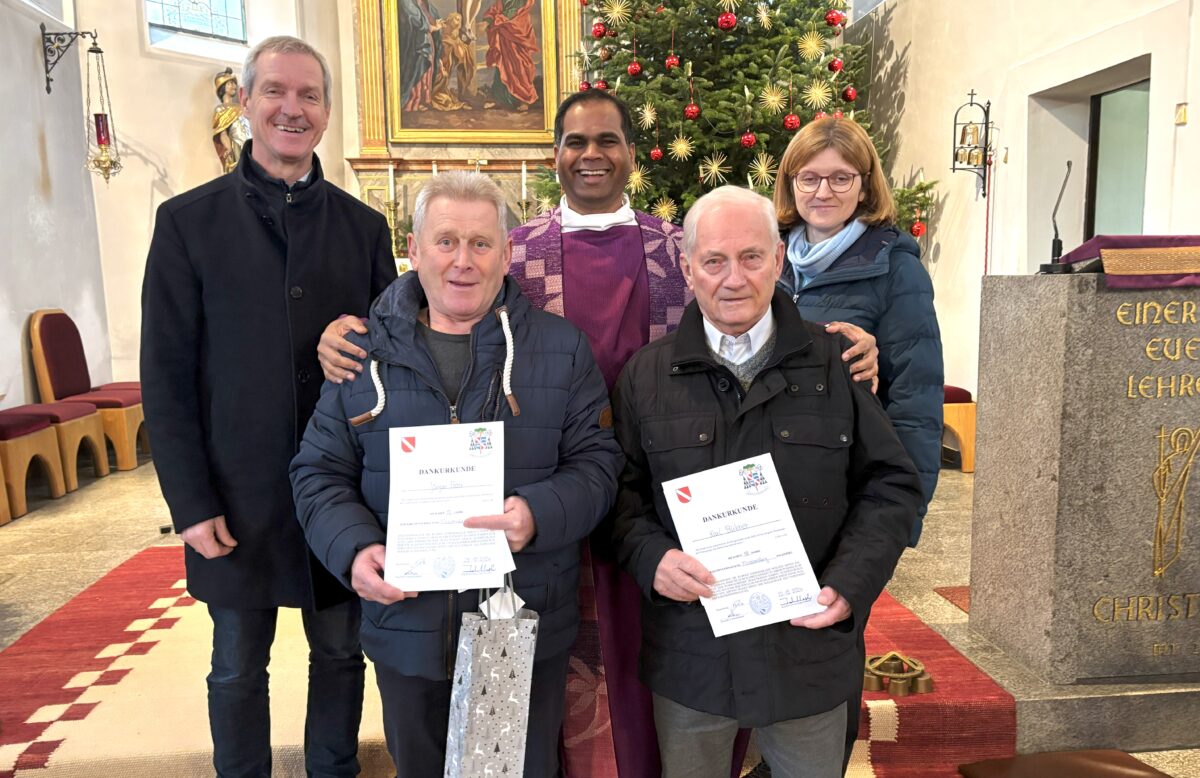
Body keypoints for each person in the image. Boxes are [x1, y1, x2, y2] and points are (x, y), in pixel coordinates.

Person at [316, 89, 878, 778]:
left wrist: (834, 336)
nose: (465, 260)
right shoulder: (513, 253)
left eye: (607, 140)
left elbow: (746, 297)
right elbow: (416, 314)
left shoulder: (678, 249)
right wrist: (347, 333)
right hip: (497, 558)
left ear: (631, 154)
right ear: (552, 155)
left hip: (667, 503)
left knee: (593, 715)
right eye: (575, 142)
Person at [290, 171, 622, 778]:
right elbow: (318, 470)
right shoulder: (360, 353)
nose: (461, 262)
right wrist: (355, 548)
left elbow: (599, 464)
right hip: (406, 623)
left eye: (480, 243)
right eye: (445, 242)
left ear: (506, 251)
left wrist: (536, 515)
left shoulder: (561, 348)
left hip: (518, 622)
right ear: (414, 250)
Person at [141, 36, 396, 778]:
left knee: (342, 654)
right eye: (276, 92)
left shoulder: (362, 227)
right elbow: (165, 374)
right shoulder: (187, 223)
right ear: (245, 104)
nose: (292, 108)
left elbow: (393, 355)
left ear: (324, 113)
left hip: (343, 493)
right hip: (235, 490)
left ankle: (333, 769)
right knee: (235, 665)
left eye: (309, 95)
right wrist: (189, 502)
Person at [612, 186, 922, 778]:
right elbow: (620, 495)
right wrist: (651, 558)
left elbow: (891, 486)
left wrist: (850, 585)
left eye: (752, 257)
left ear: (778, 260)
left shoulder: (837, 361)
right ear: (686, 268)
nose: (734, 279)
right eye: (714, 260)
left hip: (807, 649)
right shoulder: (645, 377)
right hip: (692, 654)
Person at [774, 117, 943, 545]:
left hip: (844, 488)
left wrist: (904, 514)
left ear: (865, 186)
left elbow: (916, 401)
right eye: (808, 177)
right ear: (791, 183)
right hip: (769, 482)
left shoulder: (896, 270)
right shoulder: (765, 260)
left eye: (840, 178)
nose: (823, 191)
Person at [482, 0, 538, 112]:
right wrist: (489, 19)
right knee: (502, 64)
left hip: (517, 27)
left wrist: (496, 20)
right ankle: (499, 99)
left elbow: (514, 11)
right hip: (504, 31)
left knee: (520, 65)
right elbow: (496, 8)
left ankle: (523, 99)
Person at [211, 67, 251, 173]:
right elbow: (223, 134)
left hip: (250, 142)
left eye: (234, 83)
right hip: (237, 144)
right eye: (230, 83)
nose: (234, 86)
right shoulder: (220, 109)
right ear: (222, 88)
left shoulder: (240, 107)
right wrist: (229, 149)